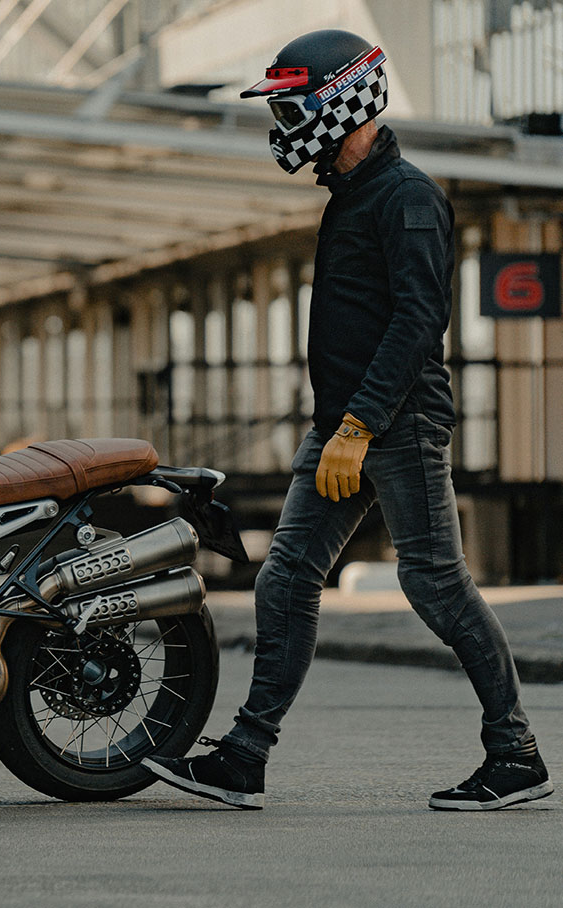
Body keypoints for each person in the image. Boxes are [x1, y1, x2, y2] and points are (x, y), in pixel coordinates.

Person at [143, 29, 552, 811]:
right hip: (344, 429)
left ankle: (517, 754)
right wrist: (342, 427)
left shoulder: (409, 198)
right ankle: (245, 757)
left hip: (395, 427)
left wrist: (360, 426)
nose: (283, 125)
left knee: (435, 586)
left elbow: (416, 323)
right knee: (287, 579)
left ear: (344, 102)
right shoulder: (353, 196)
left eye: (293, 106)